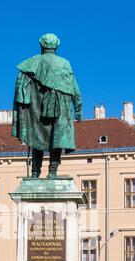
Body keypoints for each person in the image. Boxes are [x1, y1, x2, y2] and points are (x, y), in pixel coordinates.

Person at [12, 33, 82, 178]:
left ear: (41, 44)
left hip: (36, 109)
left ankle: (35, 172)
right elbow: (74, 87)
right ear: (57, 45)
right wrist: (78, 107)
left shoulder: (31, 63)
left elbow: (21, 89)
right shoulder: (64, 64)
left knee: (37, 138)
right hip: (60, 108)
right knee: (57, 138)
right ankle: (52, 172)